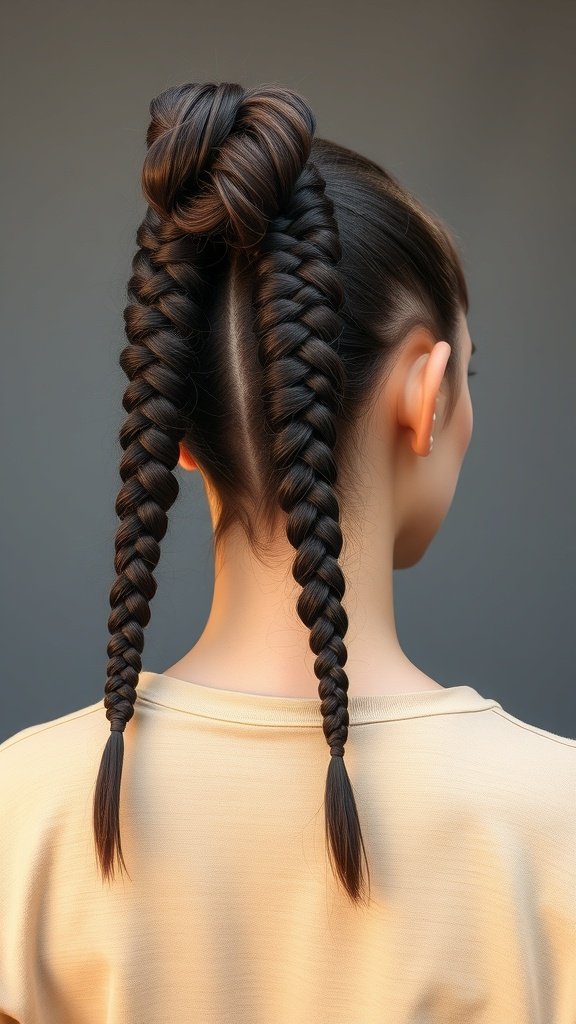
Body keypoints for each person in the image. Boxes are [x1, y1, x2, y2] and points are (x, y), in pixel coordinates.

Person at [0, 80, 574, 1024]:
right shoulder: (557, 825)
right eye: (466, 372)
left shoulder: (23, 816)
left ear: (179, 436)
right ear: (426, 393)